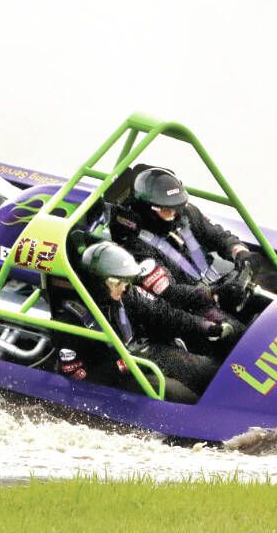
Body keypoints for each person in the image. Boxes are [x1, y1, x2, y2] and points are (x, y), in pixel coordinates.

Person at [56, 241, 229, 402]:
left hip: (143, 357)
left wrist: (204, 326)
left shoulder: (126, 295)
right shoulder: (70, 323)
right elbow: (79, 378)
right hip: (117, 379)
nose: (124, 286)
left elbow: (165, 315)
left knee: (211, 372)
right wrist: (122, 365)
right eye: (117, 282)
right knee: (184, 396)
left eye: (126, 280)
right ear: (98, 283)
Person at [111, 166, 262, 330]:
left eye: (177, 207)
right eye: (167, 210)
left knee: (272, 287)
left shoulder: (186, 214)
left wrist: (240, 252)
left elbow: (219, 237)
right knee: (237, 333)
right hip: (191, 307)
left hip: (219, 284)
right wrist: (214, 294)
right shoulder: (136, 247)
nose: (174, 214)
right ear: (147, 209)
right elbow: (171, 293)